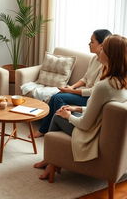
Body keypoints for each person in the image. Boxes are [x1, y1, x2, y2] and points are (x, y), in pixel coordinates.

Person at [34, 34, 127, 179]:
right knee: (64, 109)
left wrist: (68, 116)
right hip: (103, 128)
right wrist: (76, 109)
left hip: (93, 134)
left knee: (58, 115)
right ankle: (53, 161)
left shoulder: (103, 86)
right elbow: (104, 111)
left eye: (103, 49)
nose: (100, 51)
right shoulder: (122, 82)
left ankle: (51, 161)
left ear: (110, 55)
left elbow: (84, 125)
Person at [32, 29, 112, 138]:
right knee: (56, 96)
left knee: (58, 98)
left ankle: (51, 128)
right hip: (83, 92)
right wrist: (71, 86)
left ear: (102, 45)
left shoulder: (105, 65)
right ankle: (54, 127)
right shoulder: (94, 58)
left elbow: (93, 91)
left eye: (92, 41)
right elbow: (85, 78)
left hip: (90, 96)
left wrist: (71, 91)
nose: (89, 44)